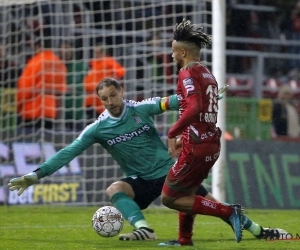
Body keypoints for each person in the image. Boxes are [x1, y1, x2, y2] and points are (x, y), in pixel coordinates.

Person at [8, 78, 289, 243]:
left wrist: (205, 97)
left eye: (113, 95)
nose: (109, 101)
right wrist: (36, 174)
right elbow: (68, 152)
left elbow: (174, 101)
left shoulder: (139, 109)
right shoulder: (98, 128)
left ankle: (260, 231)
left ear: (122, 92)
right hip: (141, 181)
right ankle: (143, 229)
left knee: (213, 205)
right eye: (104, 98)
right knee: (114, 190)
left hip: (170, 172)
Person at [158, 19, 243, 246]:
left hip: (196, 146)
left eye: (174, 51)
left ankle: (228, 212)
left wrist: (171, 133)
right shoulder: (207, 74)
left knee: (169, 197)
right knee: (189, 191)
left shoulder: (186, 73)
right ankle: (184, 239)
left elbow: (194, 108)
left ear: (183, 51)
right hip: (211, 143)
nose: (172, 55)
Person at [17, 38, 68, 130]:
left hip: (32, 110)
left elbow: (25, 88)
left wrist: (18, 106)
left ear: (37, 47)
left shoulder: (35, 62)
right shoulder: (60, 64)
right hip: (51, 112)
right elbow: (61, 92)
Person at [83, 43, 126, 122]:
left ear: (103, 52)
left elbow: (121, 71)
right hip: (90, 98)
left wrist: (110, 81)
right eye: (95, 52)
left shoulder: (108, 60)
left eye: (98, 52)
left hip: (101, 100)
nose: (96, 54)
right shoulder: (93, 63)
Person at [57, 40, 87, 131]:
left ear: (73, 50)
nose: (65, 51)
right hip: (59, 114)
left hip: (78, 114)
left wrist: (75, 88)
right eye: (63, 48)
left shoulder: (80, 66)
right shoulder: (56, 66)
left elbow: (89, 85)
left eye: (68, 48)